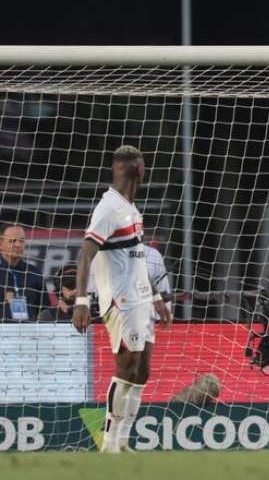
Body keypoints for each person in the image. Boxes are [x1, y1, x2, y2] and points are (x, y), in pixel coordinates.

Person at [73, 145, 172, 453]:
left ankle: (123, 440)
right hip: (120, 301)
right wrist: (81, 301)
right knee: (126, 369)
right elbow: (85, 254)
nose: (144, 169)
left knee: (142, 371)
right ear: (135, 170)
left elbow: (136, 257)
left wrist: (155, 295)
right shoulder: (108, 208)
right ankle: (109, 443)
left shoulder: (131, 208)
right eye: (141, 164)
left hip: (141, 299)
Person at [0, 224, 46, 321]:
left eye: (21, 241)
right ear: (1, 243)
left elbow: (44, 309)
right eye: (12, 241)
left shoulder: (34, 272)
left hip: (28, 329)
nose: (18, 245)